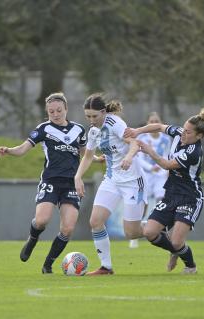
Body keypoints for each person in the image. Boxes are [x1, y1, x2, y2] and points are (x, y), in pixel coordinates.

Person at [0, 92, 88, 274]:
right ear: (47, 112)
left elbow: (86, 154)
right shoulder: (44, 129)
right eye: (51, 111)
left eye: (59, 110)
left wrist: (98, 159)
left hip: (71, 184)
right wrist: (8, 150)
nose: (55, 114)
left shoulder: (79, 129)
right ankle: (32, 239)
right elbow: (23, 149)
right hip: (50, 181)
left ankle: (48, 265)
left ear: (66, 109)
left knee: (68, 229)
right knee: (41, 220)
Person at [124, 107, 204, 274]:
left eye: (189, 133)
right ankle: (175, 251)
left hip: (190, 198)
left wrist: (149, 151)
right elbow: (160, 126)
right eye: (184, 129)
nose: (183, 134)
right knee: (149, 232)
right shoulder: (179, 133)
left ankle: (190, 266)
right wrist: (137, 131)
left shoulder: (194, 152)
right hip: (171, 194)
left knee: (176, 241)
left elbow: (167, 165)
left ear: (199, 136)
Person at [74, 93, 146, 275]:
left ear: (104, 112)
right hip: (112, 180)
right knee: (95, 221)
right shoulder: (93, 131)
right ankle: (106, 267)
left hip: (131, 181)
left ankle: (157, 227)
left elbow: (135, 143)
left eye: (94, 116)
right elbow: (88, 156)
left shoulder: (115, 123)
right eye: (87, 117)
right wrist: (78, 177)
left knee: (131, 233)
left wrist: (129, 157)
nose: (91, 120)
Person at [129, 112, 171, 248]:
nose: (153, 123)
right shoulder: (142, 138)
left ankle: (161, 229)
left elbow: (167, 155)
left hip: (160, 174)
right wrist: (150, 167)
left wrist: (164, 169)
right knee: (144, 203)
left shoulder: (165, 139)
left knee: (161, 200)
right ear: (147, 123)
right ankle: (135, 233)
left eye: (156, 121)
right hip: (146, 174)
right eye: (151, 121)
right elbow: (138, 157)